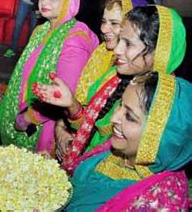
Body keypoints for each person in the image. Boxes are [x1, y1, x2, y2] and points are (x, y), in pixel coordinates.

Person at [34, 5, 186, 172]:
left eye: (128, 44)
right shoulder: (115, 77)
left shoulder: (166, 109)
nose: (117, 50)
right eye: (120, 39)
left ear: (160, 53)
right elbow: (94, 130)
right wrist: (72, 105)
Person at [0, 0, 99, 153]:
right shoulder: (41, 29)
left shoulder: (75, 38)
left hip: (45, 126)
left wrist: (27, 118)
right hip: (23, 113)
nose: (44, 1)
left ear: (69, 0)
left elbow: (63, 94)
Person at [66, 72, 190, 210]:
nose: (114, 118)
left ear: (159, 137)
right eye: (121, 104)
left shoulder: (158, 202)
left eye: (130, 117)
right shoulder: (116, 149)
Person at [75, 0, 147, 106]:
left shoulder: (137, 67)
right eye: (103, 21)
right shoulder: (102, 51)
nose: (103, 29)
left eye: (114, 23)